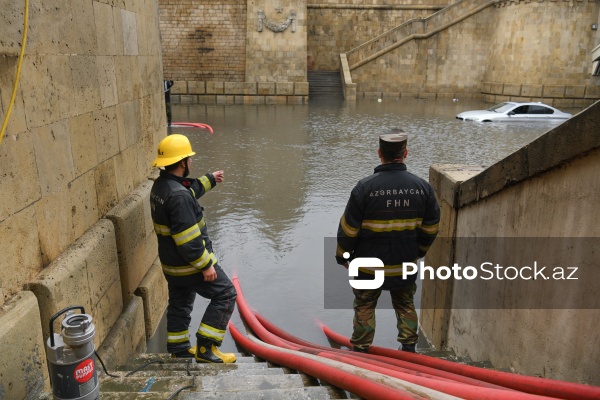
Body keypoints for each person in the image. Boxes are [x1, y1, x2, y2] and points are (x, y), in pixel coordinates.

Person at [336, 129, 440, 353]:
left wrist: (343, 256)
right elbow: (431, 228)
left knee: (364, 306)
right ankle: (409, 350)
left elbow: (348, 229)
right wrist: (417, 252)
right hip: (404, 264)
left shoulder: (364, 188)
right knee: (405, 304)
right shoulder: (423, 188)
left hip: (368, 267)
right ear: (406, 154)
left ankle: (362, 352)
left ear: (379, 153)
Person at [150, 133, 237, 363]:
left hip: (172, 266)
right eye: (189, 159)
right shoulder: (179, 197)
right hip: (190, 265)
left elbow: (189, 190)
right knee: (226, 294)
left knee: (180, 302)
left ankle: (178, 348)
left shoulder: (162, 186)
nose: (191, 162)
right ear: (182, 163)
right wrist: (206, 265)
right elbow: (188, 241)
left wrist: (210, 178)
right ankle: (206, 349)